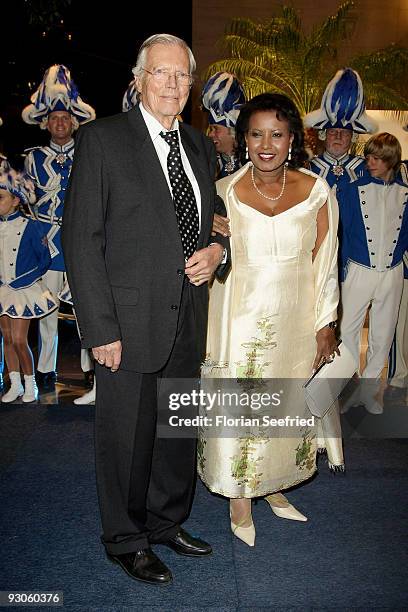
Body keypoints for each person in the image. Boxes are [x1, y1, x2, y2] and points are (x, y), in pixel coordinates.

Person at [62, 34, 228, 585]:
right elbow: (81, 239)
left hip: (189, 314)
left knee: (176, 431)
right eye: (160, 73)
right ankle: (125, 537)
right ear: (139, 79)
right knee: (126, 438)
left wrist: (216, 251)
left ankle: (165, 521)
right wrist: (99, 327)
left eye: (182, 75)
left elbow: (212, 217)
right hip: (127, 324)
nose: (172, 85)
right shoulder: (103, 140)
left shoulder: (201, 147)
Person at [198, 93, 343, 547]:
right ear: (243, 139)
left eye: (276, 134)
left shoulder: (318, 190)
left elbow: (326, 262)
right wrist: (208, 230)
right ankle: (240, 495)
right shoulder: (221, 192)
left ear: (292, 139)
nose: (266, 144)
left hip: (296, 320)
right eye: (256, 134)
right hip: (238, 319)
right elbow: (203, 262)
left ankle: (273, 481)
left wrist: (327, 323)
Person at [22, 64, 96, 389]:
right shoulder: (33, 158)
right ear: (46, 123)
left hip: (79, 243)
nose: (60, 122)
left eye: (65, 118)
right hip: (48, 245)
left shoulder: (88, 153)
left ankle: (90, 371)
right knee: (46, 312)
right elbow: (26, 203)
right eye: (54, 118)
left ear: (74, 122)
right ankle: (46, 372)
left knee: (86, 310)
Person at [339, 133, 408, 412]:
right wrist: (342, 271)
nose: (369, 162)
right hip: (358, 268)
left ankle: (369, 393)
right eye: (368, 157)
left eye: (376, 158)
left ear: (391, 160)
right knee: (347, 332)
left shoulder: (406, 194)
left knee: (383, 334)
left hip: (392, 272)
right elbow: (343, 234)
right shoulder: (351, 190)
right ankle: (350, 389)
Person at [0, 163, 57, 403]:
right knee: (6, 337)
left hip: (23, 289)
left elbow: (44, 260)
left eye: (1, 197)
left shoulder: (31, 225)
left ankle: (30, 382)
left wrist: (21, 281)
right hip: (2, 289)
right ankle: (15, 384)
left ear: (16, 200)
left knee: (20, 339)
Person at [304, 68, 377, 197]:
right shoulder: (308, 168)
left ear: (353, 137)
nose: (338, 136)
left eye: (345, 132)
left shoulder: (366, 168)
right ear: (323, 135)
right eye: (332, 132)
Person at [201, 71, 245, 178]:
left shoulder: (252, 162)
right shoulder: (206, 163)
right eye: (211, 129)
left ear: (232, 130)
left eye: (216, 129)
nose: (211, 135)